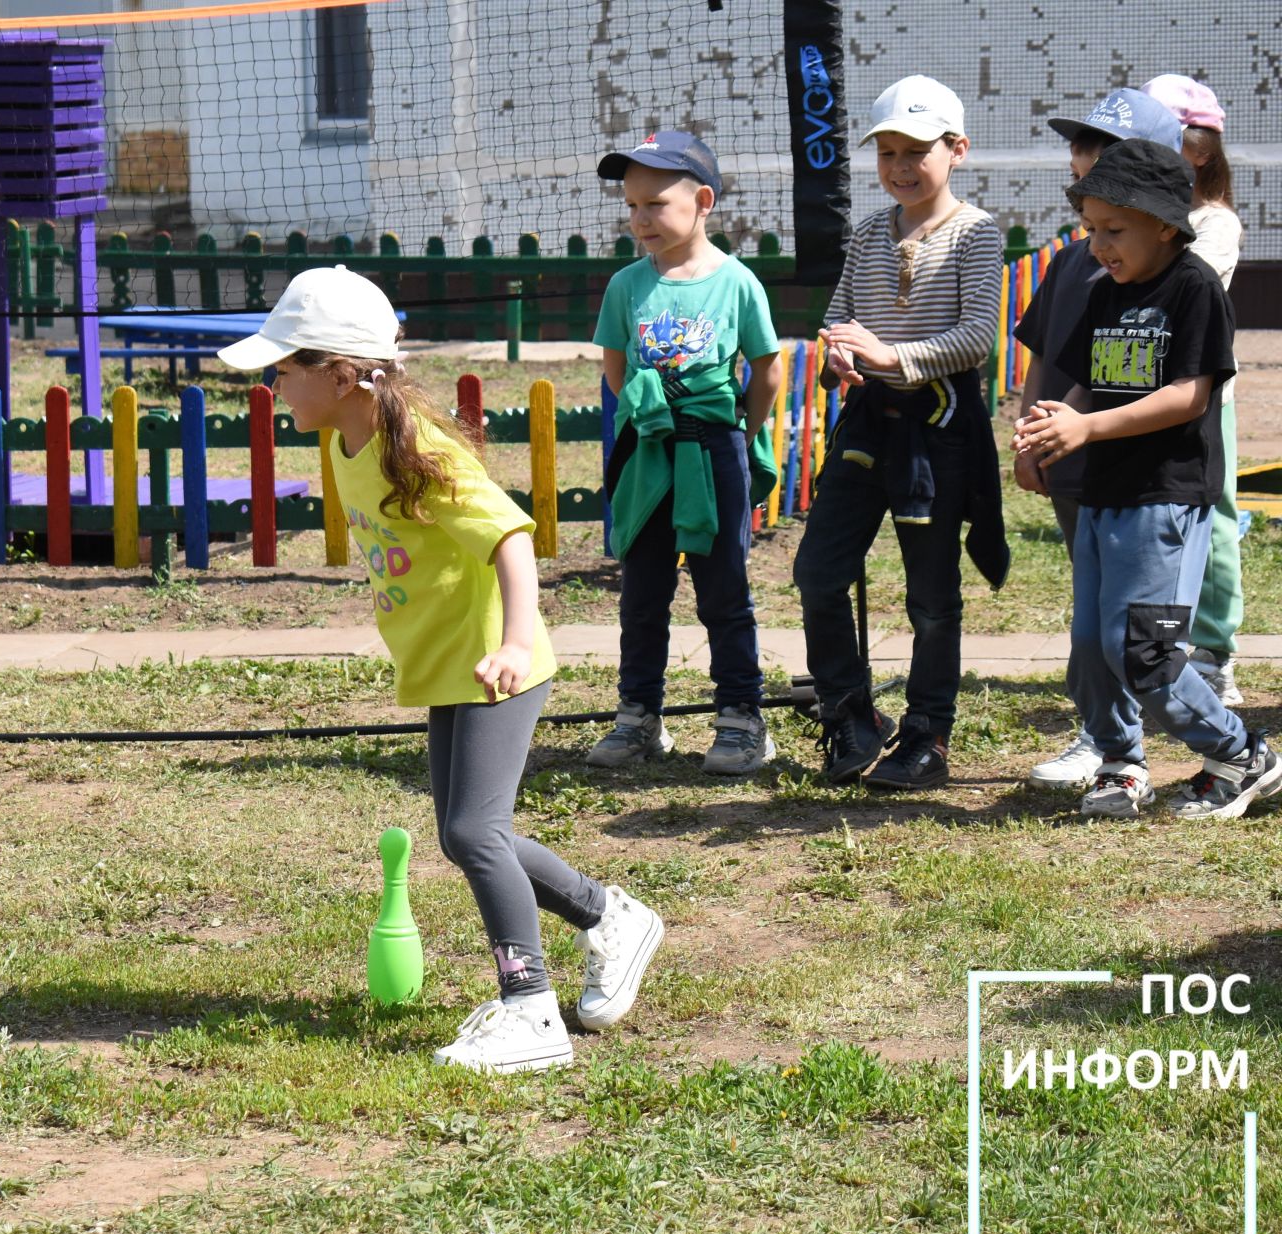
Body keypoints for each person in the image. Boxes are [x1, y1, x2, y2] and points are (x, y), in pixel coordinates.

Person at [218, 266, 664, 1073]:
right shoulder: (344, 437)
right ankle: (611, 918)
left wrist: (518, 643)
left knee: (470, 830)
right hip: (448, 664)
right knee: (469, 836)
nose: (274, 384)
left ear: (341, 373)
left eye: (285, 369)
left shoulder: (414, 448)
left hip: (498, 664)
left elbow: (511, 537)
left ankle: (530, 1010)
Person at [1015, 139, 1278, 819]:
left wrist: (1088, 429)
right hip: (1105, 493)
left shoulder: (1193, 287)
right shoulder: (1109, 290)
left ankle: (1244, 753)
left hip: (1164, 496)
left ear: (1165, 223)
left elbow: (1191, 396)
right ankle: (1120, 762)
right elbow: (1084, 384)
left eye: (1114, 229)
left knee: (1143, 649)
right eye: (1091, 229)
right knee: (1089, 649)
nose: (1098, 245)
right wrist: (1050, 429)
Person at [793, 75, 1008, 790]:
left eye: (916, 150)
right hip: (866, 428)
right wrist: (842, 355)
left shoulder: (978, 234)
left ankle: (928, 733)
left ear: (958, 150)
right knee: (817, 572)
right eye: (886, 152)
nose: (899, 167)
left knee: (930, 596)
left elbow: (978, 335)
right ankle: (851, 714)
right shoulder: (867, 233)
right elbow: (839, 318)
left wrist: (894, 357)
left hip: (939, 434)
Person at [581, 131, 784, 777]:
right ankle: (639, 716)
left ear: (702, 201)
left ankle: (742, 719)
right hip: (649, 452)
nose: (641, 219)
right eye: (632, 205)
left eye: (656, 204)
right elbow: (616, 371)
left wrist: (733, 432)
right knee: (642, 590)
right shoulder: (626, 287)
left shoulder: (738, 283)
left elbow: (767, 369)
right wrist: (658, 414)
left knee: (723, 588)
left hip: (715, 452)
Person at [1017, 89, 1187, 790]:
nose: (1082, 159)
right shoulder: (1069, 259)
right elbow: (1043, 353)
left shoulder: (1169, 269)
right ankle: (1104, 735)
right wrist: (1030, 434)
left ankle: (1141, 737)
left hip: (1134, 468)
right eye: (1080, 145)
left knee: (1125, 612)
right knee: (1089, 609)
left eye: (1102, 147)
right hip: (1069, 457)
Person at [1145, 73, 1245, 707]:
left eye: (1155, 136)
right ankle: (1159, 648)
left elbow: (1180, 291)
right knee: (1158, 525)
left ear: (1198, 149)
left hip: (1204, 401)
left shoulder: (1213, 223)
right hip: (1136, 398)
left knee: (1215, 525)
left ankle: (1214, 649)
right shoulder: (1140, 217)